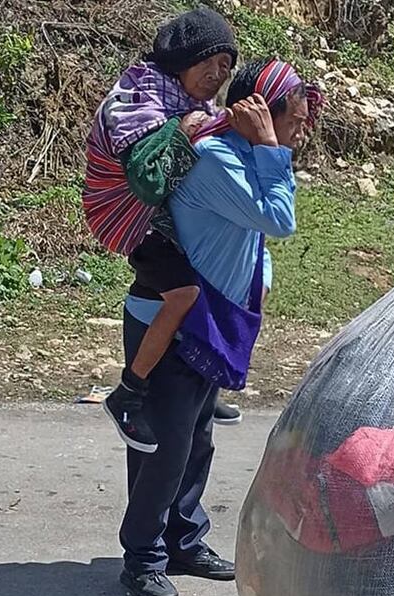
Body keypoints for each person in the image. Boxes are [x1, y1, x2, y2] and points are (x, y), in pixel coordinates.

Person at [117, 59, 323, 596]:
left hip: (210, 321)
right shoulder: (216, 160)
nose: (301, 131)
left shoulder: (245, 157)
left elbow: (253, 239)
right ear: (262, 115)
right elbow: (278, 220)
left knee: (197, 440)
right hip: (175, 326)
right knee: (165, 447)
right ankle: (141, 557)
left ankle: (183, 540)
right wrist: (273, 153)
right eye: (294, 120)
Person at [83, 7, 243, 454]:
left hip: (169, 219)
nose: (216, 74)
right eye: (207, 63)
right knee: (185, 294)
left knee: (224, 277)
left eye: (225, 66)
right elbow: (147, 181)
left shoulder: (197, 106)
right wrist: (182, 132)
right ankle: (128, 393)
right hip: (133, 219)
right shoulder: (137, 100)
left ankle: (203, 394)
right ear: (180, 63)